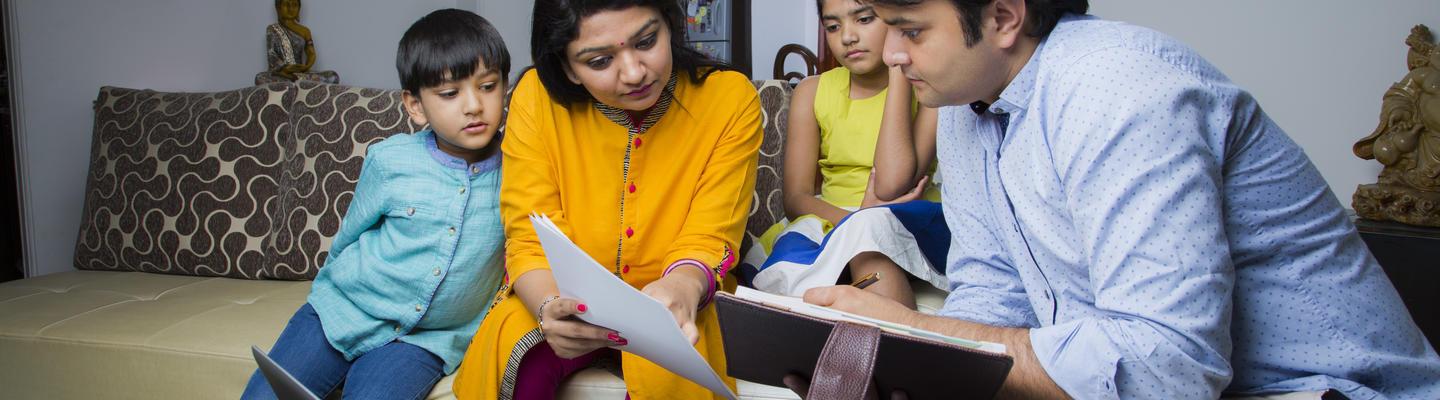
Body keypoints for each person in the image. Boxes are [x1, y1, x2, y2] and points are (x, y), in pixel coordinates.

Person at [789, 0, 1440, 398]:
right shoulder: (965, 100)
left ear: (1003, 16)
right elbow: (995, 291)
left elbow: (1167, 371)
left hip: (1327, 390)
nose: (892, 55)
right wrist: (918, 366)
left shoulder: (1120, 91)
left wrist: (923, 334)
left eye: (911, 30)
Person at [450, 0, 760, 399]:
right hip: (559, 292)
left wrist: (681, 289)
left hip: (680, 297)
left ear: (671, 25)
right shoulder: (536, 98)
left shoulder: (730, 99)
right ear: (566, 68)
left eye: (647, 41)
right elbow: (529, 239)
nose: (634, 73)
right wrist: (549, 309)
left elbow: (710, 235)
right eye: (599, 61)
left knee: (678, 355)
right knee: (517, 345)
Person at [240, 9, 511, 399]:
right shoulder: (389, 160)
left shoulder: (519, 167)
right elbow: (350, 236)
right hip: (344, 309)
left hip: (425, 341)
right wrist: (327, 300)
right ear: (415, 106)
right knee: (266, 395)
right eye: (450, 94)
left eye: (488, 86)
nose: (473, 105)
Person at [741, 0, 945, 309]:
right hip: (833, 219)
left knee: (869, 238)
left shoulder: (929, 89)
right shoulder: (812, 91)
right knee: (848, 242)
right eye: (833, 27)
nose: (847, 37)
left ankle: (898, 346)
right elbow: (796, 198)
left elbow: (895, 182)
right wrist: (854, 221)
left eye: (864, 20)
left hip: (909, 216)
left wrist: (899, 73)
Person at [255, 0, 340, 85]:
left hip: (300, 71)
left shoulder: (305, 31)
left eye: (294, 5)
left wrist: (306, 67)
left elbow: (311, 53)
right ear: (278, 8)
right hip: (281, 72)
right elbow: (271, 54)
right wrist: (285, 68)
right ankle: (299, 82)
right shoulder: (272, 29)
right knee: (260, 78)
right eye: (286, 4)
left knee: (333, 76)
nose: (290, 8)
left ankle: (294, 81)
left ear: (299, 8)